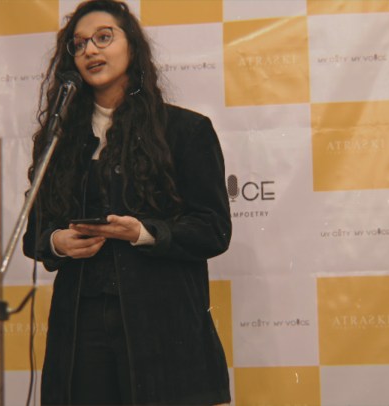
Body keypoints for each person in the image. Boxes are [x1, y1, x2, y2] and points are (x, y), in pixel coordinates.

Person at [22, 0, 232, 404]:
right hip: (81, 327)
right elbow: (34, 234)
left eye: (104, 38)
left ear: (132, 46)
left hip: (164, 325)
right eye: (79, 44)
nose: (90, 50)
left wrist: (144, 233)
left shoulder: (185, 130)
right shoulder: (58, 141)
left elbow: (213, 230)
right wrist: (57, 242)